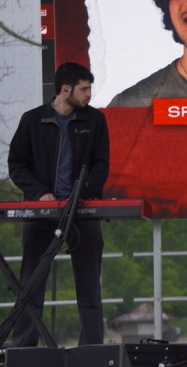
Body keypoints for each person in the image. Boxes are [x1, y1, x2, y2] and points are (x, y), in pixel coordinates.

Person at [7, 62, 110, 346]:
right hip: (42, 215)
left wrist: (81, 196)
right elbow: (17, 164)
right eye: (84, 89)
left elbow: (101, 166)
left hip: (84, 213)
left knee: (90, 288)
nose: (89, 94)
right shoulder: (32, 120)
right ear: (66, 90)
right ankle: (24, 352)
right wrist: (40, 192)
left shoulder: (95, 121)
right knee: (31, 285)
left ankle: (91, 351)